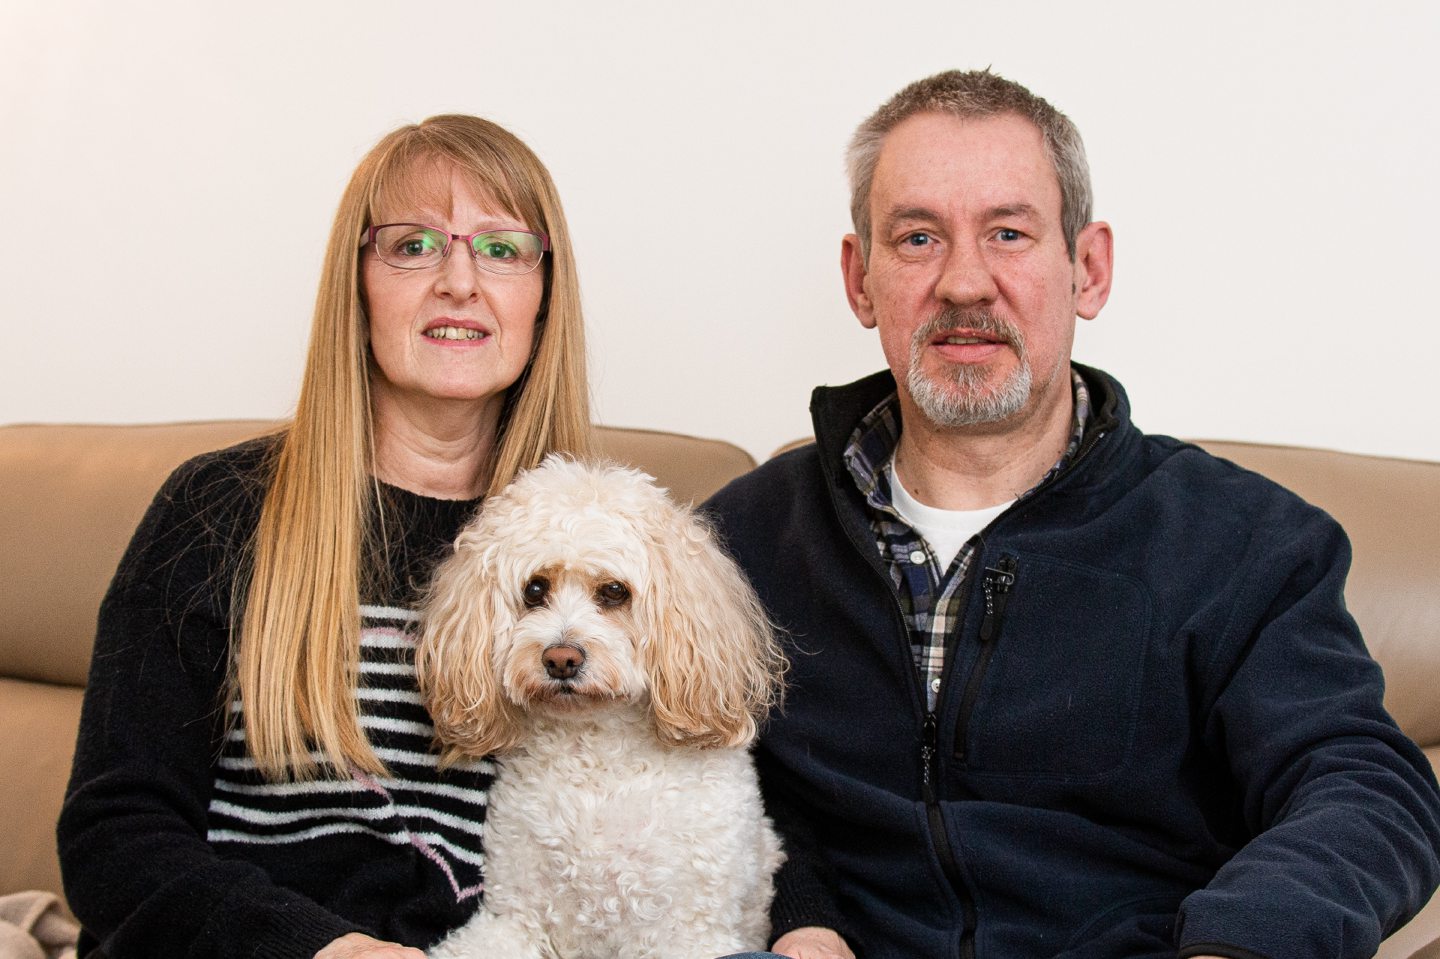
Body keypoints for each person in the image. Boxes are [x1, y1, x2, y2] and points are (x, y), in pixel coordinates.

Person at [704, 69, 1440, 959]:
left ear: (1087, 269)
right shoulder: (732, 545)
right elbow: (696, 772)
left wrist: (1238, 943)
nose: (964, 282)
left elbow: (1364, 784)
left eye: (1008, 233)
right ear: (862, 280)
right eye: (918, 237)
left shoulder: (1246, 542)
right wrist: (799, 913)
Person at [58, 115, 592, 958]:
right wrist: (322, 948)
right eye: (414, 245)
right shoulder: (216, 508)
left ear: (544, 293)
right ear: (358, 285)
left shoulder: (597, 560)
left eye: (501, 249)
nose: (459, 279)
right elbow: (114, 837)